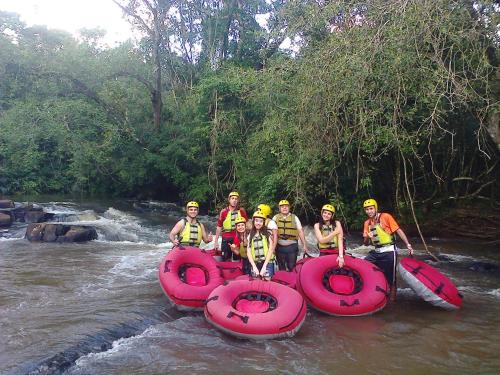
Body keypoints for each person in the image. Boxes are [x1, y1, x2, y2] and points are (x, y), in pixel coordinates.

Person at [362, 198, 414, 301]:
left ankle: (392, 301)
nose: (369, 211)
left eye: (371, 208)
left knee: (391, 279)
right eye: (367, 209)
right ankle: (374, 292)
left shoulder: (386, 217)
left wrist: (408, 244)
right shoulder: (367, 223)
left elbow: (398, 230)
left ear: (375, 208)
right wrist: (367, 236)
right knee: (364, 265)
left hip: (389, 252)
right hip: (376, 252)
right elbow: (365, 244)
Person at [272, 199, 310, 271]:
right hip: (279, 247)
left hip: (292, 247)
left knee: (291, 266)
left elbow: (300, 231)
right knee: (281, 267)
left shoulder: (295, 217)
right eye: (282, 206)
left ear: (289, 208)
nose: (284, 208)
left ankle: (292, 281)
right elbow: (271, 232)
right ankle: (282, 281)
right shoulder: (275, 218)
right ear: (279, 208)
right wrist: (272, 247)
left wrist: (304, 245)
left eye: (286, 206)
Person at [214, 191, 248, 261]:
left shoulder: (241, 211)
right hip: (227, 238)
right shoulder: (223, 212)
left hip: (238, 237)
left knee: (238, 258)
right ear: (229, 200)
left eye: (236, 199)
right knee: (226, 258)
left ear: (238, 200)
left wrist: (246, 238)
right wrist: (216, 241)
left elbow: (246, 224)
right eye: (232, 198)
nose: (234, 200)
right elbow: (219, 227)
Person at [247, 211, 275, 280]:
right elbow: (248, 252)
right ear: (253, 222)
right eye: (256, 221)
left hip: (267, 262)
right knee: (256, 281)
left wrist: (264, 267)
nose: (258, 223)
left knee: (266, 279)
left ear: (263, 223)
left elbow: (270, 250)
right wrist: (254, 267)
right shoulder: (250, 235)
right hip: (255, 263)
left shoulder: (267, 234)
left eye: (261, 221)